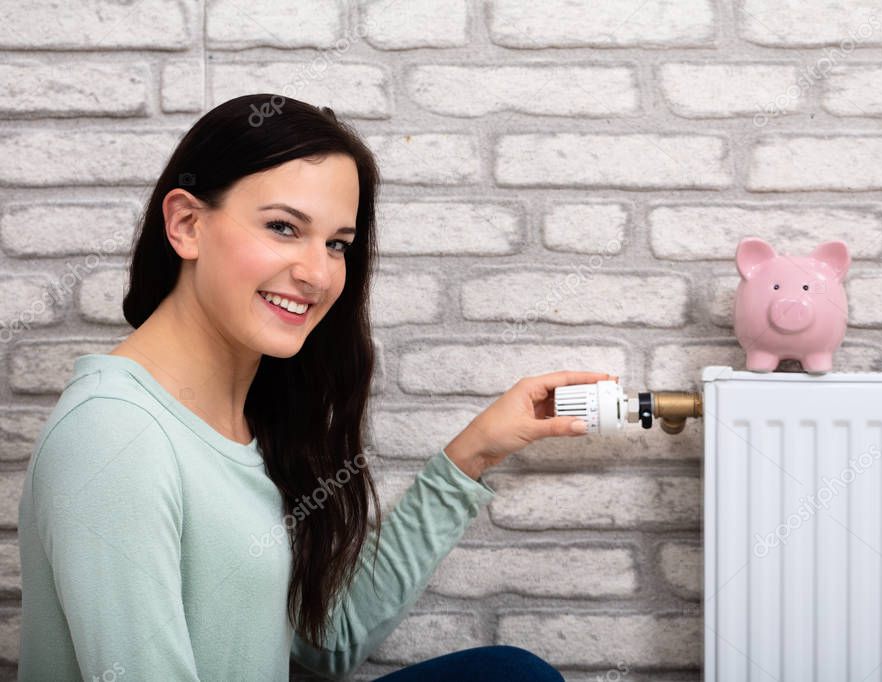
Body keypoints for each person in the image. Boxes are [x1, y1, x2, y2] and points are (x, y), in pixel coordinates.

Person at [17, 93, 615, 681]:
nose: (318, 273)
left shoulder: (247, 419)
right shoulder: (114, 436)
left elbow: (330, 639)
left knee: (508, 676)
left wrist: (477, 450)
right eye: (283, 227)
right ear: (187, 224)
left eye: (337, 244)